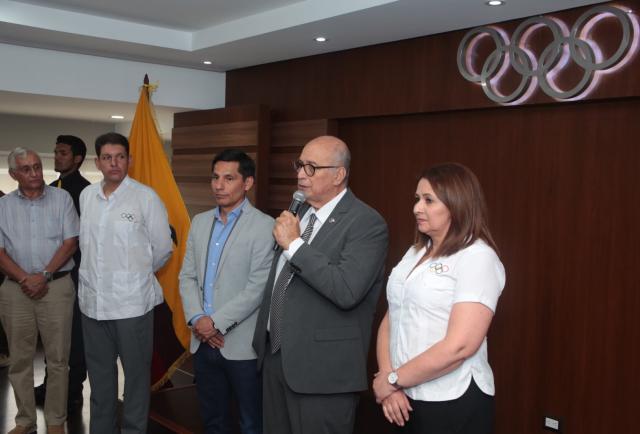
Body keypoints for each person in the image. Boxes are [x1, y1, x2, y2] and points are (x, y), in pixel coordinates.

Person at [252, 136, 389, 434]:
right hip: (275, 359)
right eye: (300, 165)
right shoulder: (299, 214)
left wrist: (294, 245)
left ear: (339, 175)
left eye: (312, 167)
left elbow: (346, 289)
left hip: (322, 373)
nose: (301, 174)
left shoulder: (366, 223)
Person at [373, 163, 506, 434]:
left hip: (451, 400)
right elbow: (393, 316)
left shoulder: (477, 257)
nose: (416, 208)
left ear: (457, 205)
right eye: (417, 199)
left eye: (428, 200)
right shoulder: (415, 252)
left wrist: (394, 379)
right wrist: (388, 380)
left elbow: (460, 346)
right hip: (402, 398)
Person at [78, 132, 173, 434]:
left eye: (120, 157)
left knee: (135, 380)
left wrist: (134, 276)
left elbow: (162, 249)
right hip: (93, 306)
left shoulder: (146, 197)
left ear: (129, 160)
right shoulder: (86, 196)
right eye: (107, 157)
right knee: (100, 381)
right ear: (98, 162)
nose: (114, 163)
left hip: (132, 306)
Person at [180, 149, 274, 434]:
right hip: (202, 342)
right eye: (215, 177)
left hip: (241, 345)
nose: (219, 185)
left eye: (229, 178)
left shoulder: (265, 226)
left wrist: (215, 323)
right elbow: (187, 276)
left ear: (247, 183)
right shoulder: (199, 222)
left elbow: (257, 288)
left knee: (250, 423)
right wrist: (198, 319)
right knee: (212, 421)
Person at [0, 148, 79, 434]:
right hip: (15, 290)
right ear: (13, 174)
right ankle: (25, 421)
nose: (35, 173)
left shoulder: (62, 198)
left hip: (56, 287)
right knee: (19, 360)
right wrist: (25, 278)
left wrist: (43, 276)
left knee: (58, 359)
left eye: (36, 166)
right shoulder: (3, 206)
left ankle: (56, 421)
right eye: (26, 169)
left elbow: (70, 242)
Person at [35, 135, 91, 411]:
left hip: (75, 273)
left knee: (74, 335)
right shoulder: (48, 190)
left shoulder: (86, 191)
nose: (57, 156)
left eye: (63, 153)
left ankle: (73, 390)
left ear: (77, 159)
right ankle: (51, 385)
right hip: (49, 273)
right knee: (52, 332)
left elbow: (82, 238)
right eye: (56, 151)